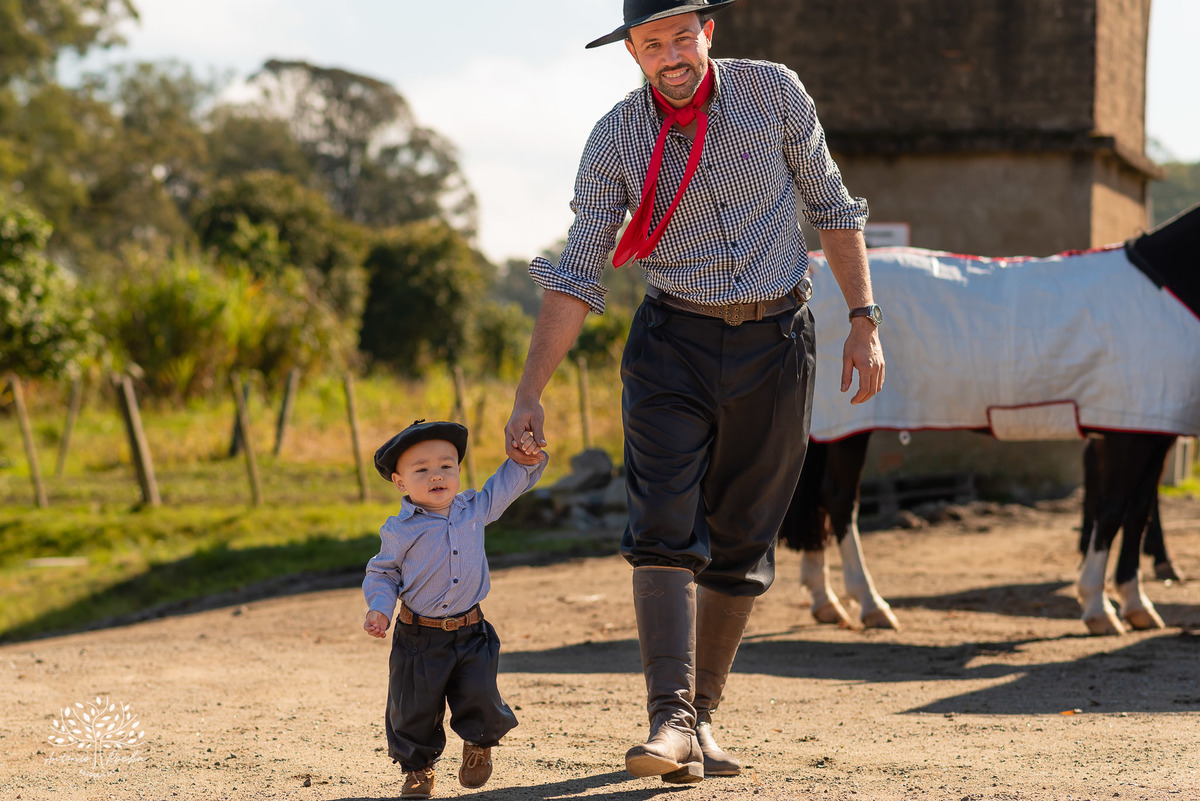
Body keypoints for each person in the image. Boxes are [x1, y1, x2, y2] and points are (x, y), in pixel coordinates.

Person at [503, 0, 885, 786]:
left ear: (707, 34)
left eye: (683, 36)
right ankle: (669, 716)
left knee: (745, 534)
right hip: (671, 345)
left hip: (776, 343)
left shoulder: (774, 92)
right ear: (633, 54)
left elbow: (830, 204)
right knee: (664, 523)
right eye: (653, 44)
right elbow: (579, 268)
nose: (671, 54)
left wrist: (863, 318)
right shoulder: (616, 136)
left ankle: (704, 712)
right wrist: (528, 393)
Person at [362, 419, 547, 799]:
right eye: (422, 469)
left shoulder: (474, 509)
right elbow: (382, 573)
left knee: (479, 694)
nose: (437, 475)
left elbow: (506, 484)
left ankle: (479, 745)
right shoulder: (400, 530)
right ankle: (418, 769)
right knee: (413, 706)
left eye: (446, 466)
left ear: (458, 471)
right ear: (400, 482)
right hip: (418, 637)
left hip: (471, 630)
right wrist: (379, 608)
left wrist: (524, 460)